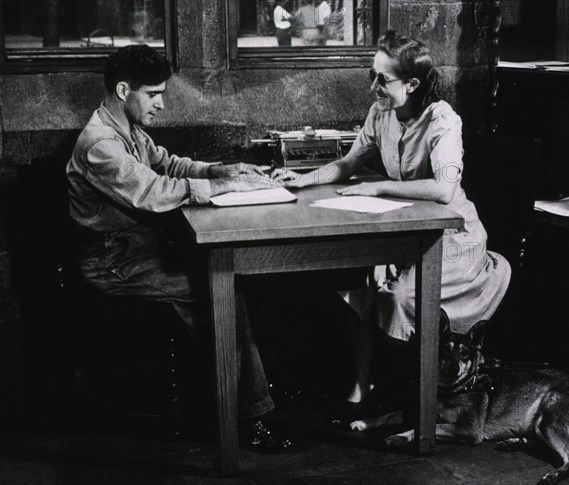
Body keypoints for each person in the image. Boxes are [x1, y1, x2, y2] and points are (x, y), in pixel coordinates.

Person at [65, 44, 294, 452]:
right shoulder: (100, 143)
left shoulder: (126, 128)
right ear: (123, 89)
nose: (162, 104)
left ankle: (239, 401)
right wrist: (223, 187)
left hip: (139, 252)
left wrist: (224, 170)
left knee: (231, 284)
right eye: (154, 94)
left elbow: (168, 164)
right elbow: (153, 191)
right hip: (114, 263)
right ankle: (248, 419)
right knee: (221, 291)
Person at [273, 31, 511, 411]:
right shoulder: (380, 112)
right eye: (373, 75)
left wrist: (380, 188)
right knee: (358, 281)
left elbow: (445, 190)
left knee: (398, 296)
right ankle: (364, 381)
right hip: (402, 227)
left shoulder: (443, 120)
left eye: (382, 79)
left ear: (413, 83)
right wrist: (305, 178)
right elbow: (350, 162)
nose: (373, 86)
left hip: (452, 235)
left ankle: (407, 393)